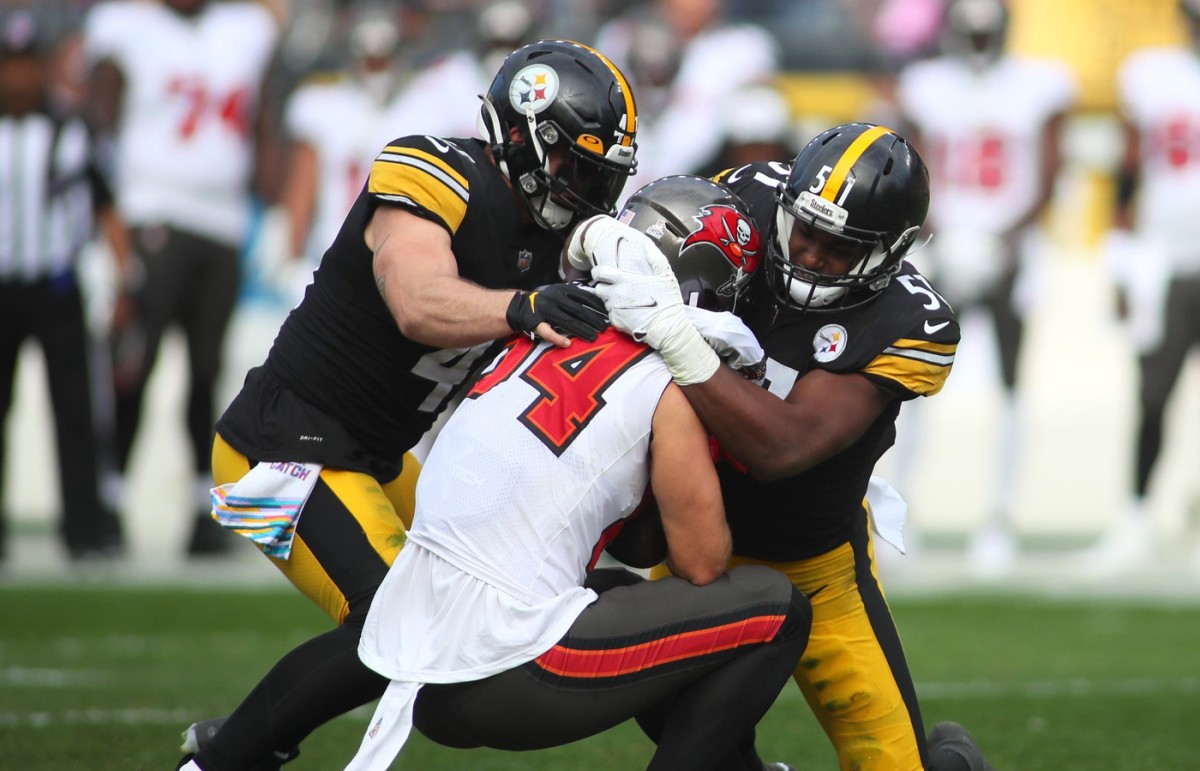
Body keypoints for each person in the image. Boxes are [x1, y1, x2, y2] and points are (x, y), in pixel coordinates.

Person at [175, 40, 637, 771]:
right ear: (516, 136)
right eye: (572, 166)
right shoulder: (435, 170)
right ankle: (220, 761)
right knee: (399, 623)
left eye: (598, 176)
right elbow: (417, 301)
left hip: (378, 457)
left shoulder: (558, 242)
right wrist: (522, 307)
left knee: (498, 589)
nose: (582, 191)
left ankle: (231, 741)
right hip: (276, 448)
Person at [342, 174, 811, 771]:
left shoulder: (530, 327)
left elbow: (630, 547)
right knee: (776, 606)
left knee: (616, 593)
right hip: (511, 669)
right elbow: (699, 563)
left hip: (421, 669)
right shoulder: (667, 384)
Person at [569, 122, 993, 769]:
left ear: (892, 253)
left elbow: (783, 446)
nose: (814, 255)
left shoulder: (912, 321)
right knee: (684, 730)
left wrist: (674, 331)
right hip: (697, 545)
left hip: (815, 566)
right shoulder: (748, 199)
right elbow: (647, 234)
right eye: (807, 232)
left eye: (840, 248)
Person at [81, 0, 282, 555]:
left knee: (206, 372)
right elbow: (96, 125)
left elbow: (264, 118)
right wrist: (107, 222)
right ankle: (110, 500)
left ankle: (202, 506)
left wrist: (275, 208)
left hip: (222, 222)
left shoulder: (245, 28)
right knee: (134, 364)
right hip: (153, 211)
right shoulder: (124, 26)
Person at [893, 0, 1076, 577]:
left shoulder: (1037, 85)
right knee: (909, 379)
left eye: (984, 37)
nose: (977, 48)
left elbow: (1050, 171)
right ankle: (906, 514)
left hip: (1009, 248)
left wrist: (1006, 238)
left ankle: (998, 516)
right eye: (969, 37)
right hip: (943, 245)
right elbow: (911, 164)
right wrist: (937, 232)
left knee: (1010, 386)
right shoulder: (927, 85)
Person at [0, 7, 131, 562]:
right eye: (10, 65)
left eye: (28, 65)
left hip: (57, 285)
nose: (19, 78)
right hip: (3, 288)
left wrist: (125, 281)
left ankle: (83, 529)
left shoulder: (73, 129)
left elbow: (105, 207)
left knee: (76, 411)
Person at [1087, 0, 1200, 574]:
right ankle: (1135, 519)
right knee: (1153, 395)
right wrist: (1121, 258)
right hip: (1165, 257)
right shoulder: (1152, 74)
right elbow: (1128, 170)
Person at [592, 0, 780, 205]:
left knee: (760, 109)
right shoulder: (620, 36)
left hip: (705, 186)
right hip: (621, 176)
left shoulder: (744, 46)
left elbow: (758, 122)